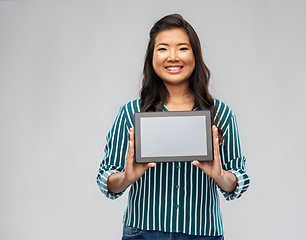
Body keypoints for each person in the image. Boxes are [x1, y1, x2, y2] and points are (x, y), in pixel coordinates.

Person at [97, 14, 250, 240]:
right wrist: (127, 178)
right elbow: (106, 177)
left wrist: (219, 175)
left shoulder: (221, 114)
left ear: (195, 56)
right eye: (163, 49)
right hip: (144, 233)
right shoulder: (131, 113)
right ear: (151, 57)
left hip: (203, 233)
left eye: (182, 48)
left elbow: (238, 180)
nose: (172, 57)